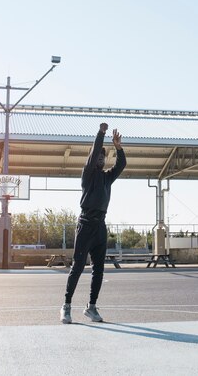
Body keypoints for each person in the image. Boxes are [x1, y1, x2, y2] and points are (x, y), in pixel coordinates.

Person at [60, 123, 126, 324]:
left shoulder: (107, 178)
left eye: (103, 157)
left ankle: (91, 307)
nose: (100, 158)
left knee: (99, 269)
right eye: (97, 156)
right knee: (78, 267)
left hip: (100, 227)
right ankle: (66, 306)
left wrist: (118, 148)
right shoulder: (87, 174)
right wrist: (101, 134)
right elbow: (94, 152)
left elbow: (121, 165)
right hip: (86, 224)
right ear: (92, 158)